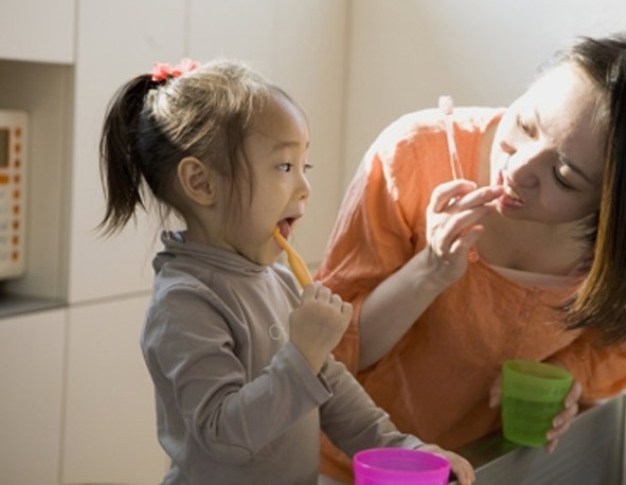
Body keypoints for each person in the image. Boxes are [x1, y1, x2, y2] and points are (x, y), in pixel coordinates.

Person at [317, 32, 626, 482]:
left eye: (563, 177)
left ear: (617, 209)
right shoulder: (413, 156)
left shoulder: (623, 245)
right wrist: (430, 270)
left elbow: (618, 344)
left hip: (484, 465)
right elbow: (324, 351)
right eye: (526, 125)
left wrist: (567, 372)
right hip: (355, 464)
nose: (517, 169)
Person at [97, 58, 475, 485]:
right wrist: (303, 353)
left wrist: (399, 446)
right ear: (201, 183)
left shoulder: (279, 280)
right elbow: (223, 436)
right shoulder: (185, 302)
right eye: (284, 167)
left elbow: (330, 386)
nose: (304, 188)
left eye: (304, 167)